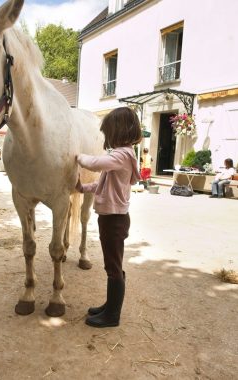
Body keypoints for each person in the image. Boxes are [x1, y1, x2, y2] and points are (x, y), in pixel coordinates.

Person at [75, 107, 141, 328]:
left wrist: (77, 156)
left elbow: (95, 164)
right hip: (112, 218)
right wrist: (83, 187)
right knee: (113, 266)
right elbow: (102, 183)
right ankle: (109, 306)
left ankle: (112, 316)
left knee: (113, 268)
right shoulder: (121, 156)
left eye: (108, 132)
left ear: (119, 131)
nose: (106, 137)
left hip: (114, 220)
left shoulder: (122, 155)